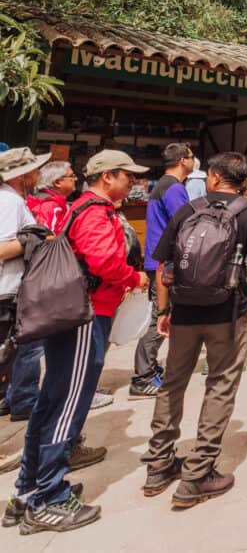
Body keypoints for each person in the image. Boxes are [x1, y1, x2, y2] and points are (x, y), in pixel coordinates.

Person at [13, 149, 149, 534]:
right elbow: (103, 261)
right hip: (86, 317)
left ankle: (28, 489)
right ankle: (49, 498)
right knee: (67, 404)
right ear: (108, 177)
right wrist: (132, 278)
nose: (133, 182)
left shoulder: (82, 207)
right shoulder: (94, 211)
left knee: (52, 400)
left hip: (78, 314)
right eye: (128, 175)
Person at [141, 152, 247, 508]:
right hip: (227, 316)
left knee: (172, 383)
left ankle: (158, 466)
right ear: (243, 180)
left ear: (214, 177)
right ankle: (198, 474)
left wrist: (164, 308)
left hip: (184, 311)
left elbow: (162, 265)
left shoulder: (189, 208)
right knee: (220, 386)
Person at [135, 142, 194, 399]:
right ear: (183, 160)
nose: (194, 161)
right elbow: (186, 223)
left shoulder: (164, 185)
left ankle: (148, 369)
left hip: (158, 261)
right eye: (192, 157)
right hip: (164, 263)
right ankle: (142, 377)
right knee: (160, 318)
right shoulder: (173, 188)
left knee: (160, 317)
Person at [0, 149, 51, 438]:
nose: (39, 173)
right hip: (7, 291)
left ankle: (14, 399)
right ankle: (24, 401)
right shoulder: (9, 201)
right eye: (35, 168)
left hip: (13, 289)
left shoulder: (13, 199)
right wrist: (32, 239)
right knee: (27, 350)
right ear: (22, 175)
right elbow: (2, 248)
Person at [27, 160, 76, 231]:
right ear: (57, 182)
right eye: (72, 176)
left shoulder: (53, 203)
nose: (75, 179)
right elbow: (48, 238)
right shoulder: (50, 206)